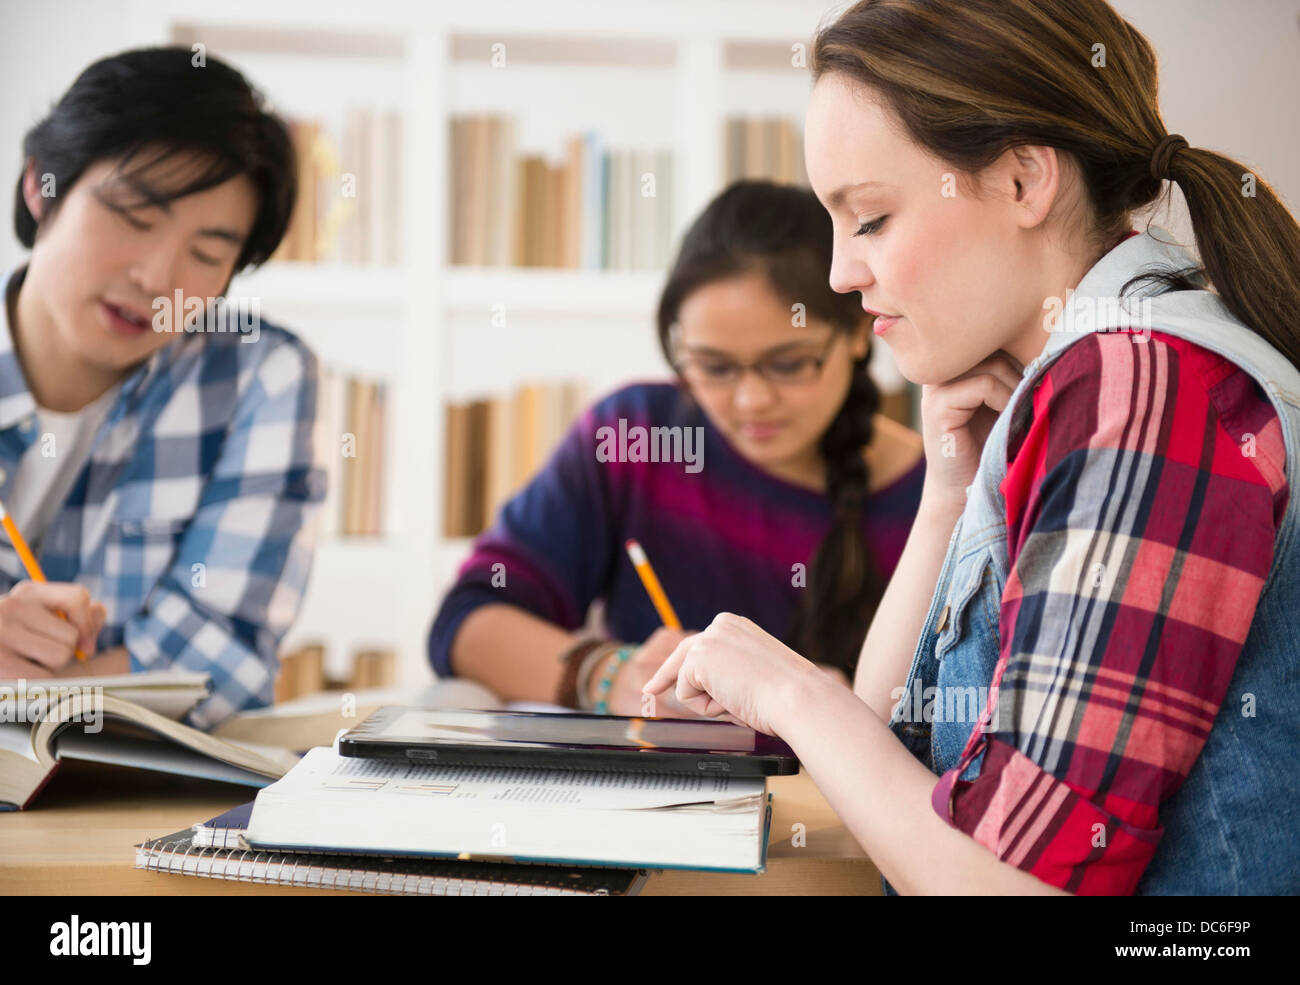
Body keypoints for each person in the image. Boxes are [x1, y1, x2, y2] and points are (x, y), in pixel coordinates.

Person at [646, 0, 1300, 894]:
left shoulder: (1142, 386)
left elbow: (1014, 887)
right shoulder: (1076, 383)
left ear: (1025, 181)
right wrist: (947, 497)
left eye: (869, 218)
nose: (840, 273)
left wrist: (789, 693)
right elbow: (879, 762)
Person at [429, 180, 925, 716]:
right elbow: (467, 623)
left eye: (788, 363)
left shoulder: (939, 495)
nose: (751, 400)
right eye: (713, 366)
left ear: (857, 331)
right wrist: (608, 676)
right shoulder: (636, 438)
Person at [0, 47, 325, 730]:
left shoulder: (261, 378)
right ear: (41, 186)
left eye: (206, 255)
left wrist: (26, 694)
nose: (157, 278)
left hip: (126, 808)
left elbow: (220, 653)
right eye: (133, 216)